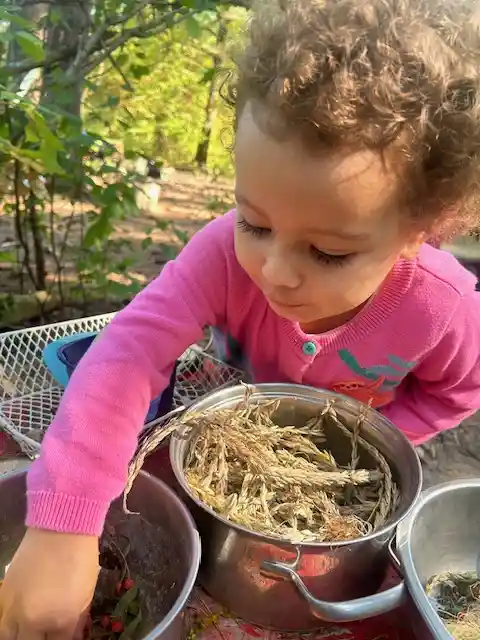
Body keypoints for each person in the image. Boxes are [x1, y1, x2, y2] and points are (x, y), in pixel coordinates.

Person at [2, 0, 480, 637]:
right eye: (254, 221)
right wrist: (64, 522)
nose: (276, 271)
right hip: (215, 449)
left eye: (329, 252)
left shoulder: (443, 306)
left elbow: (462, 387)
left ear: (419, 232)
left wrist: (376, 436)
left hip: (328, 504)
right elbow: (129, 353)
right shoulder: (221, 255)